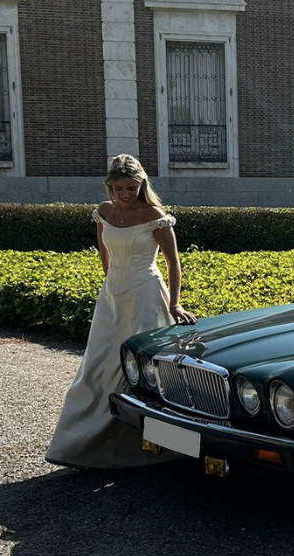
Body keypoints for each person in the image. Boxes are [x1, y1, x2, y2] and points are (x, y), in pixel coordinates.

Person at [45, 154, 196, 469]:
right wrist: (111, 289)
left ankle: (171, 446)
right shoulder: (103, 212)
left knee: (144, 373)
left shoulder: (155, 215)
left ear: (141, 185)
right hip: (112, 298)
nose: (125, 195)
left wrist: (175, 304)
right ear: (109, 187)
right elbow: (105, 254)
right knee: (96, 369)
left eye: (131, 187)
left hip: (146, 296)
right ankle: (79, 447)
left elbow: (173, 263)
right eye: (118, 188)